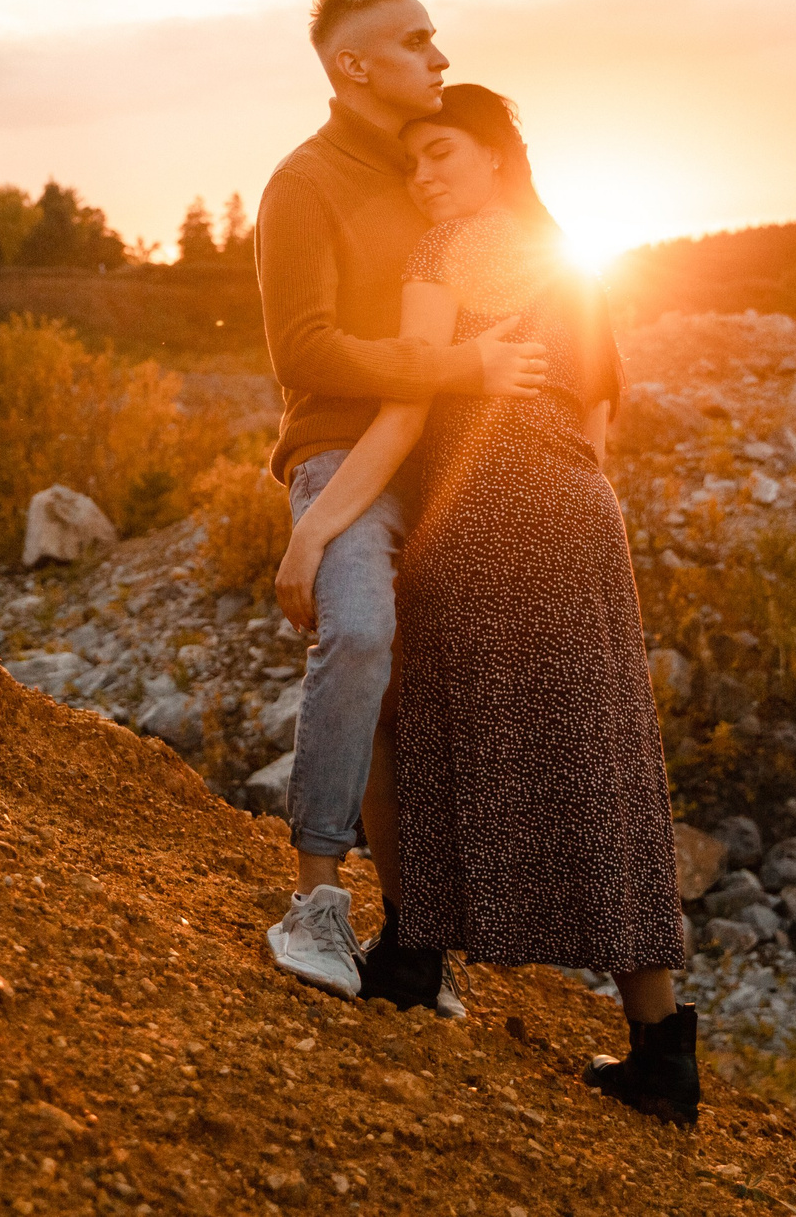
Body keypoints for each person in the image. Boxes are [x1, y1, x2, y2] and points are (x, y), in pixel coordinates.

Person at [273, 82, 699, 1124]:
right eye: (413, 162)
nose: (424, 179)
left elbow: (408, 412)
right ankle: (661, 1051)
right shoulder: (572, 265)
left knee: (439, 729)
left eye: (443, 157)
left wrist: (315, 525)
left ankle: (416, 953)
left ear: (497, 160)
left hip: (492, 514)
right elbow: (598, 424)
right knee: (605, 767)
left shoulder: (440, 256)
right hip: (586, 521)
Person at [254, 0, 546, 1004]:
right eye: (417, 40)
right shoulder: (304, 185)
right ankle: (314, 903)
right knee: (362, 634)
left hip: (453, 466)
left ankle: (415, 940)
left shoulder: (434, 172)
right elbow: (305, 352)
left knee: (423, 705)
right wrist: (452, 371)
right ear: (353, 65)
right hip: (347, 459)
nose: (439, 56)